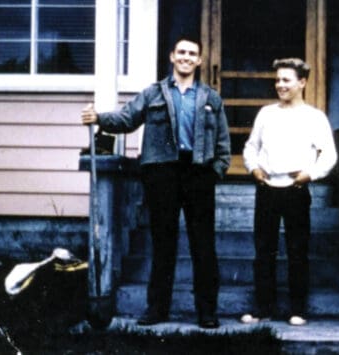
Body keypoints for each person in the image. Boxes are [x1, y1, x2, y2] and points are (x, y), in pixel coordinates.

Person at [81, 36, 230, 329]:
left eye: (193, 54)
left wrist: (216, 171)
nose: (187, 57)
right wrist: (98, 117)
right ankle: (157, 309)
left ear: (199, 61)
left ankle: (207, 312)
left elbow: (223, 143)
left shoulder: (211, 98)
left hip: (199, 173)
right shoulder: (153, 94)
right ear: (172, 57)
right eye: (182, 52)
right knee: (163, 243)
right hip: (162, 174)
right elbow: (126, 118)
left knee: (203, 245)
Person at [241, 58, 337, 326]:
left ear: (302, 82)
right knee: (264, 250)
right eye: (278, 80)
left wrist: (311, 174)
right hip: (268, 189)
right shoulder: (266, 114)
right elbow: (251, 147)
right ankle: (263, 307)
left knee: (297, 250)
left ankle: (297, 309)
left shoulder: (314, 117)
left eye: (286, 80)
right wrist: (254, 169)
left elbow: (329, 154)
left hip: (296, 189)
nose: (280, 85)